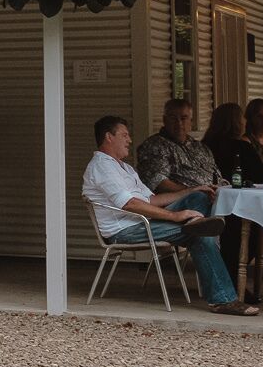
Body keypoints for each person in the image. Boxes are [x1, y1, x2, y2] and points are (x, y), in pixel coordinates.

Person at [81, 114, 254, 316]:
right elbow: (130, 204)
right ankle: (223, 299)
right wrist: (175, 216)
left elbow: (152, 199)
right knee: (197, 234)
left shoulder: (124, 168)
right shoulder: (103, 167)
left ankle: (199, 222)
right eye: (124, 135)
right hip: (125, 230)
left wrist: (190, 191)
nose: (129, 140)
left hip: (144, 222)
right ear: (108, 137)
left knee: (200, 197)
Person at [134, 99, 221, 196]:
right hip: (179, 201)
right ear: (164, 120)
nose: (179, 123)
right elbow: (158, 183)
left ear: (191, 121)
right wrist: (195, 191)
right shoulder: (154, 145)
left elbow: (216, 176)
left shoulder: (200, 147)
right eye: (173, 118)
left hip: (211, 196)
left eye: (183, 118)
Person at [203, 101, 263, 186]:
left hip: (211, 193)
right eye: (242, 117)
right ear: (236, 122)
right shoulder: (243, 148)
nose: (245, 121)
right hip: (239, 195)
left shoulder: (204, 145)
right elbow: (261, 175)